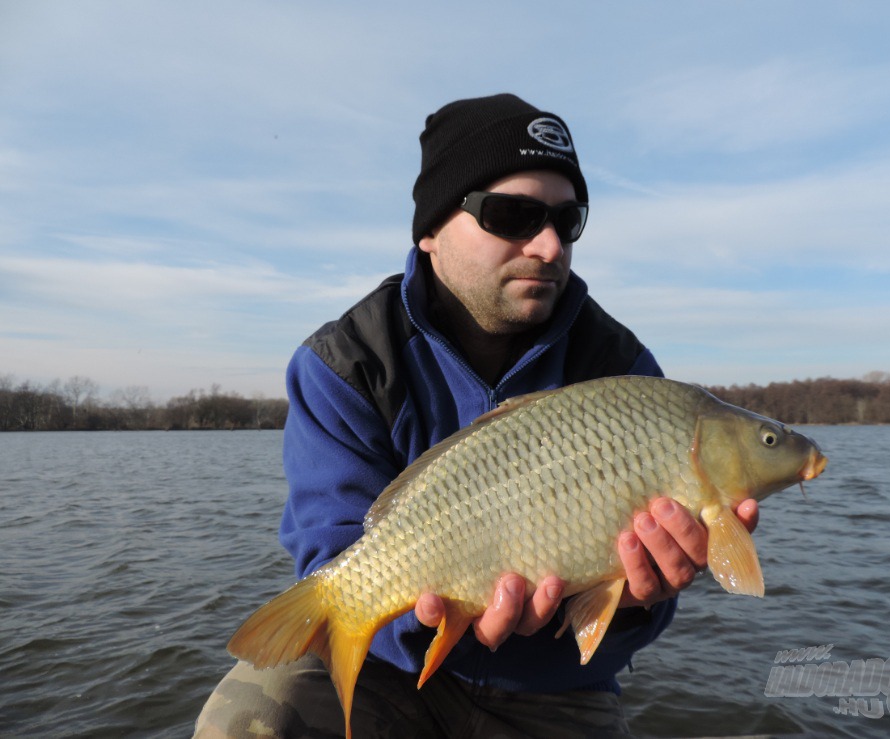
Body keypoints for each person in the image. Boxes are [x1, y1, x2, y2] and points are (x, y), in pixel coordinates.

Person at [195, 93, 758, 738]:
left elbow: (640, 611)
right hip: (387, 665)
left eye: (568, 220)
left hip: (557, 685)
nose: (548, 245)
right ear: (431, 230)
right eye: (513, 215)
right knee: (251, 718)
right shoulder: (347, 361)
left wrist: (638, 601)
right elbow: (331, 547)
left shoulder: (624, 370)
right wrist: (433, 624)